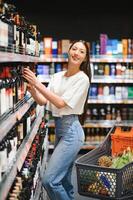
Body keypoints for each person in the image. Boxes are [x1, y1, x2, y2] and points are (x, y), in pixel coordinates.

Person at [23, 40, 91, 200]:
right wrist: (32, 89)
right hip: (60, 130)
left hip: (72, 132)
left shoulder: (83, 79)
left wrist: (37, 83)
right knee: (64, 181)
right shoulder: (57, 76)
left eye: (82, 51)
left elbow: (60, 102)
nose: (77, 53)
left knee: (50, 180)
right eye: (74, 49)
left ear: (85, 58)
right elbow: (43, 100)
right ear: (69, 51)